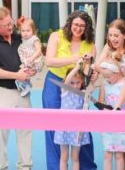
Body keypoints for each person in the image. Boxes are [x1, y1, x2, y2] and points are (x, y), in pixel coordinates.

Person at [42, 10, 98, 170]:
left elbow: (89, 72)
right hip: (54, 82)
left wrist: (90, 68)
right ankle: (56, 166)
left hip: (77, 85)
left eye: (82, 25)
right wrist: (75, 59)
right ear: (69, 24)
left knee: (81, 125)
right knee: (53, 125)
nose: (78, 28)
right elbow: (50, 62)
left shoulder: (90, 44)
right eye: (75, 24)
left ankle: (86, 166)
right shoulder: (56, 36)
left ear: (86, 28)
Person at [0, 6, 35, 170]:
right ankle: (0, 167)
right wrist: (16, 75)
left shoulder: (20, 37)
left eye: (11, 23)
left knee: (26, 130)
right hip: (0, 92)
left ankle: (25, 167)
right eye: (6, 25)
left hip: (23, 91)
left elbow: (31, 54)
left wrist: (31, 69)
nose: (10, 27)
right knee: (0, 134)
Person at [93, 19, 125, 170]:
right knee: (120, 146)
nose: (113, 39)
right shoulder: (108, 48)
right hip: (113, 94)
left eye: (116, 35)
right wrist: (106, 52)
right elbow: (97, 66)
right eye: (110, 35)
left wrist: (118, 108)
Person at [54, 59, 93, 170]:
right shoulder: (65, 91)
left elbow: (91, 87)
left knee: (75, 157)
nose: (75, 86)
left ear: (82, 82)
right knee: (64, 157)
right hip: (64, 127)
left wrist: (92, 77)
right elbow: (67, 81)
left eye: (78, 82)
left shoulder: (83, 94)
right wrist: (77, 67)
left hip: (77, 129)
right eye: (72, 82)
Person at [97, 59, 125, 170]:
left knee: (119, 155)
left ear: (117, 72)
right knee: (107, 154)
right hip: (109, 124)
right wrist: (103, 109)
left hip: (122, 125)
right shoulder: (104, 84)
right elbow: (101, 101)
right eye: (105, 77)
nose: (107, 79)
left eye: (109, 76)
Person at [15, 16, 45, 96]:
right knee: (21, 74)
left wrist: (32, 58)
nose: (25, 33)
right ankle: (26, 84)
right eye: (23, 31)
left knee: (24, 73)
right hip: (28, 61)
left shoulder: (34, 39)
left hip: (35, 61)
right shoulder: (23, 39)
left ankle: (27, 86)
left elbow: (39, 50)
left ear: (33, 31)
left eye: (28, 30)